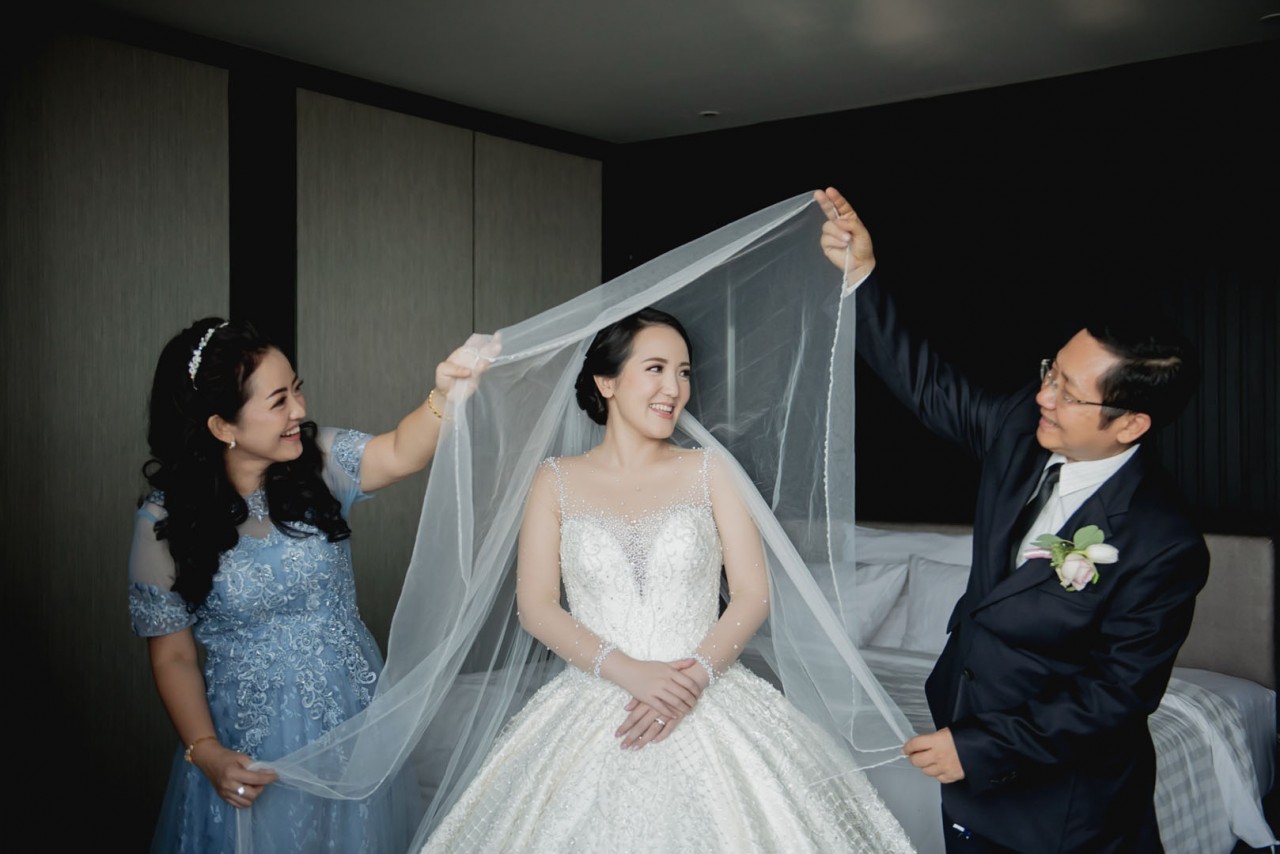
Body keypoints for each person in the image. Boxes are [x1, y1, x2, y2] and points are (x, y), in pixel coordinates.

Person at [419, 308, 916, 852]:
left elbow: (752, 594)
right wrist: (629, 672)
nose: (674, 389)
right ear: (606, 382)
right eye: (655, 368)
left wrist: (693, 679)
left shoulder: (711, 470)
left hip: (705, 687)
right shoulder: (555, 481)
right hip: (597, 692)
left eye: (683, 372)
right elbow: (536, 607)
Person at [816, 187, 1209, 853]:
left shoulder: (1163, 542)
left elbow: (1114, 694)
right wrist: (862, 274)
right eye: (1051, 372)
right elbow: (925, 384)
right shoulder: (1017, 430)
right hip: (963, 752)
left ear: (1130, 425)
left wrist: (978, 746)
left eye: (1068, 392)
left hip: (1065, 805)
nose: (1043, 396)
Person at [128, 317, 490, 854]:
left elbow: (398, 452)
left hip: (352, 716)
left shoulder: (317, 462)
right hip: (249, 739)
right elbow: (174, 656)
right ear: (223, 426)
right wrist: (206, 751)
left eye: (296, 389)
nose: (299, 409)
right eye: (278, 401)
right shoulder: (164, 523)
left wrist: (444, 395)